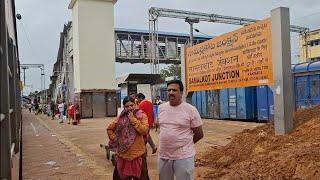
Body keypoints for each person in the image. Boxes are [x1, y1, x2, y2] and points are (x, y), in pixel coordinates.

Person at [157, 80, 204, 180]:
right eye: (169, 90)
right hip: (164, 155)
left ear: (181, 93)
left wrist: (185, 144)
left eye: (174, 90)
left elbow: (199, 134)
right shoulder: (161, 108)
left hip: (184, 157)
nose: (171, 92)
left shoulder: (190, 110)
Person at [107, 96, 150, 180]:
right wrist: (116, 139)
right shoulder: (121, 118)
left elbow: (144, 130)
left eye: (131, 105)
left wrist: (133, 119)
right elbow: (110, 129)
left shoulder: (141, 115)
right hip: (123, 155)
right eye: (127, 106)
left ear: (135, 105)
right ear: (124, 107)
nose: (130, 108)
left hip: (138, 155)